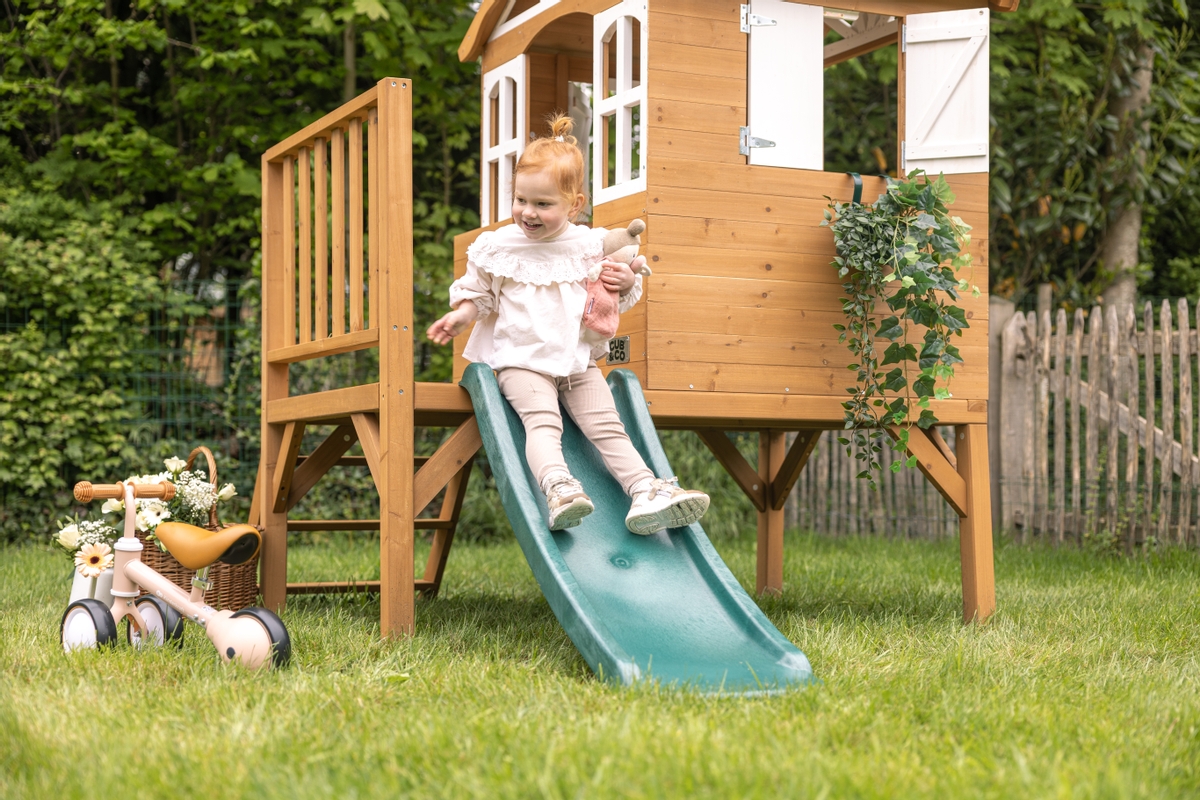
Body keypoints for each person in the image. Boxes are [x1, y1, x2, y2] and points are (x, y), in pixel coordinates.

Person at [427, 115, 709, 534]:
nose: (528, 213)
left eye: (544, 205)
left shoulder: (587, 245)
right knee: (543, 424)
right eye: (521, 200)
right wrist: (460, 316)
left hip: (578, 363)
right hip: (522, 363)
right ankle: (559, 489)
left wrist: (627, 279)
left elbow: (615, 293)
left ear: (574, 205)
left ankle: (644, 491)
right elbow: (480, 295)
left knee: (609, 425)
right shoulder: (498, 247)